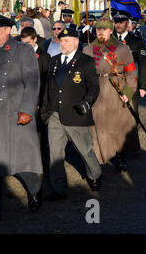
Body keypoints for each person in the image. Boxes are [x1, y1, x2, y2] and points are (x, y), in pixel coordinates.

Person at [0, 13, 42, 225]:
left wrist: (27, 109)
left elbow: (32, 81)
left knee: (20, 162)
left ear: (9, 31)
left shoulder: (23, 50)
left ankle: (35, 189)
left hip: (15, 113)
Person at [40, 27, 102, 201]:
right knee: (55, 154)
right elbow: (48, 89)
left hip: (76, 114)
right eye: (61, 40)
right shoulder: (53, 62)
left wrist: (87, 103)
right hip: (55, 115)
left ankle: (95, 175)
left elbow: (94, 87)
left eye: (67, 40)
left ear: (76, 42)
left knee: (85, 150)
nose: (63, 44)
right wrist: (45, 110)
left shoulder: (86, 61)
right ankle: (59, 188)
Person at [82, 12, 138, 172]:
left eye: (104, 29)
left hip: (116, 90)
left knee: (117, 126)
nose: (100, 32)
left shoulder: (123, 49)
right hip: (96, 91)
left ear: (111, 31)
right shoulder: (87, 49)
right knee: (97, 126)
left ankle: (120, 156)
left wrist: (128, 91)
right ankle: (98, 158)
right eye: (98, 29)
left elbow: (132, 73)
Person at [20, 26, 51, 179]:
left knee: (39, 137)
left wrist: (41, 102)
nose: (24, 46)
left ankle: (42, 167)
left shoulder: (44, 57)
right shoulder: (21, 54)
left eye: (27, 43)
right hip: (23, 101)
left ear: (35, 39)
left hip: (38, 103)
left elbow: (46, 82)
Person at [112, 11, 146, 115]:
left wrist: (143, 86)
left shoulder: (137, 41)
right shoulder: (108, 40)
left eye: (121, 22)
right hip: (113, 83)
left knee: (132, 115)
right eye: (116, 21)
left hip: (130, 83)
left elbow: (142, 64)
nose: (118, 24)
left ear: (128, 23)